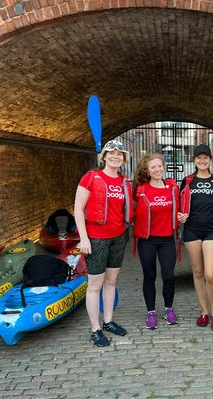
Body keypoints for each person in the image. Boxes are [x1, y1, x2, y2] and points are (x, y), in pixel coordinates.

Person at [74, 140, 132, 347]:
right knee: (95, 285)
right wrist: (84, 238)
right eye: (112, 154)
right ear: (104, 157)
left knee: (111, 282)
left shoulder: (124, 182)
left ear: (123, 159)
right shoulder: (91, 178)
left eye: (119, 154)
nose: (115, 157)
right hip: (96, 239)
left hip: (118, 237)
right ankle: (95, 328)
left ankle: (108, 321)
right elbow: (79, 209)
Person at [178, 144, 213, 332]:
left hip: (211, 231)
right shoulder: (187, 181)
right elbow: (179, 207)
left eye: (205, 158)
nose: (202, 161)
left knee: (210, 273)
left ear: (210, 160)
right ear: (194, 160)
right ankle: (204, 311)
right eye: (199, 158)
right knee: (198, 272)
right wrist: (180, 216)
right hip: (191, 231)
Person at [132, 153, 180, 330]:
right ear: (147, 171)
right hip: (148, 241)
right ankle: (151, 312)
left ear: (163, 167)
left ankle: (169, 309)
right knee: (149, 276)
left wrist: (182, 216)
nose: (157, 169)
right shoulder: (141, 190)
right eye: (153, 167)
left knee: (168, 276)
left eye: (159, 166)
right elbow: (131, 210)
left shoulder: (173, 188)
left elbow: (180, 207)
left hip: (167, 240)